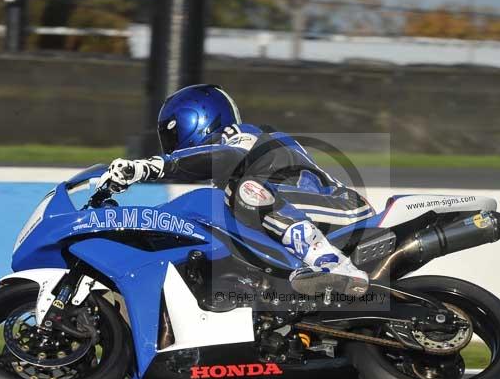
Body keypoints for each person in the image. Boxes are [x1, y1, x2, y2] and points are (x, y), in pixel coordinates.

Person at [102, 84, 373, 295]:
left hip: (342, 209)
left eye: (171, 136)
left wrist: (152, 167)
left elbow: (224, 156)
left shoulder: (239, 135)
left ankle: (331, 264)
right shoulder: (231, 186)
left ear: (194, 118)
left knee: (245, 191)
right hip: (309, 216)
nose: (171, 146)